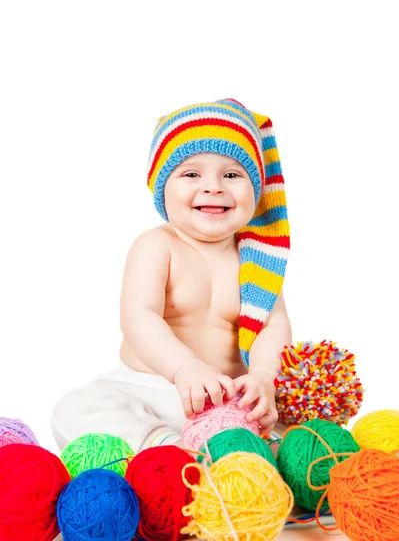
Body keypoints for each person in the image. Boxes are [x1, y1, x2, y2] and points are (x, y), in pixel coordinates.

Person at [51, 98, 292, 454]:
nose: (213, 187)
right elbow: (138, 317)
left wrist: (260, 380)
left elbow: (274, 327)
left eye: (232, 174)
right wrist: (184, 368)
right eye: (191, 174)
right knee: (75, 409)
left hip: (230, 400)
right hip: (154, 390)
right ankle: (165, 447)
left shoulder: (257, 259)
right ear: (161, 186)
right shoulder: (157, 246)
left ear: (255, 193)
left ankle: (243, 450)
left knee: (292, 421)